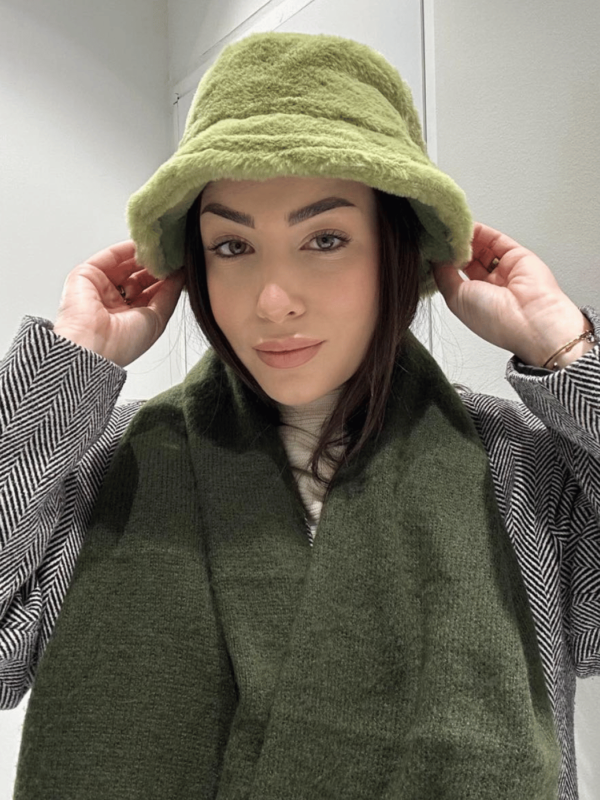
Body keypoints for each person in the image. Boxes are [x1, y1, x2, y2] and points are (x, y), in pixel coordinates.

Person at [1, 30, 599, 800]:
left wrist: (565, 349)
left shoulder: (516, 472)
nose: (273, 300)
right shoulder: (110, 468)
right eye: (231, 247)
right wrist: (66, 369)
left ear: (394, 249)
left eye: (325, 238)